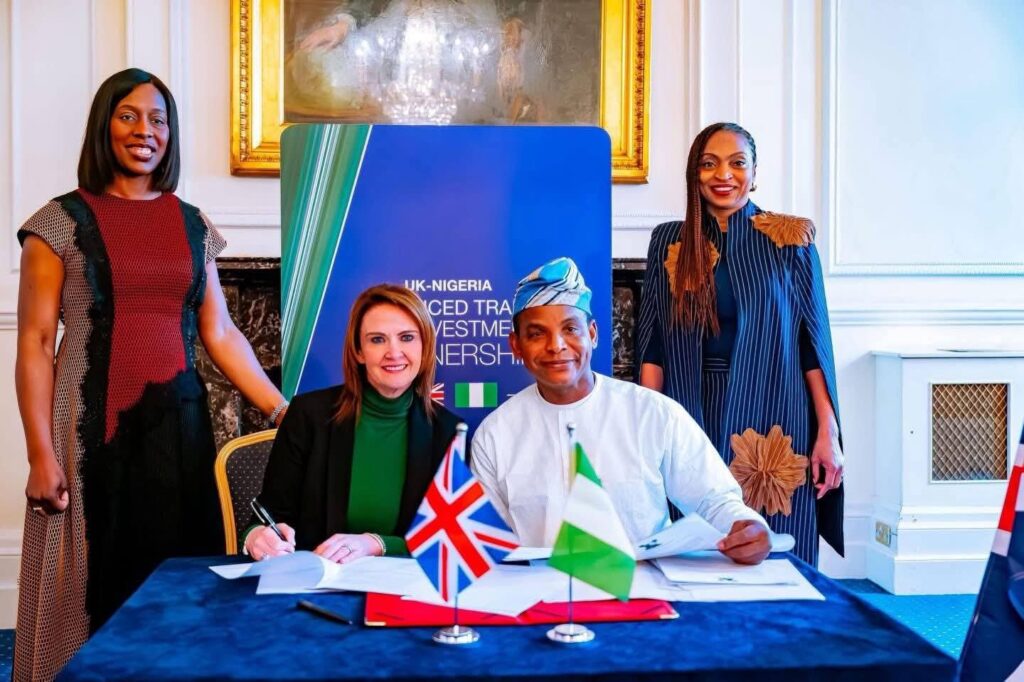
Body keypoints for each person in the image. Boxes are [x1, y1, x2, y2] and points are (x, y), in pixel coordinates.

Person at [13, 68, 289, 680]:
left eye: (158, 120)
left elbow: (222, 333)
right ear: (103, 125)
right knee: (90, 577)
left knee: (179, 574)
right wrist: (40, 454)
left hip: (179, 427)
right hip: (89, 430)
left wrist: (281, 409)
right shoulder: (58, 222)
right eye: (128, 116)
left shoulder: (192, 224)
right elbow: (34, 343)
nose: (145, 131)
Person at [636, 121, 844, 566]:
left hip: (775, 404)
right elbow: (652, 343)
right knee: (695, 531)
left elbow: (812, 344)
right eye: (709, 164)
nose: (723, 175)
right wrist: (644, 426)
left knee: (776, 533)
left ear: (754, 172)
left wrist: (828, 431)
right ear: (694, 173)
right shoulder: (668, 240)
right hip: (690, 403)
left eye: (737, 163)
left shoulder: (790, 239)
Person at [471, 258, 771, 565]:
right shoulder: (495, 434)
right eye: (537, 334)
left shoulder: (652, 413)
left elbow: (715, 500)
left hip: (643, 584)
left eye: (570, 329)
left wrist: (746, 527)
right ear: (516, 345)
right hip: (541, 588)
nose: (556, 345)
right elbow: (486, 541)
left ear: (593, 334)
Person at [245, 284, 465, 563]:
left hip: (407, 583)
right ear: (359, 351)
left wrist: (377, 544)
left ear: (424, 347)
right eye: (377, 340)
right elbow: (266, 518)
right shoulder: (308, 416)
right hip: (317, 581)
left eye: (407, 337)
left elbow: (452, 539)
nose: (394, 352)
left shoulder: (449, 432)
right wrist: (256, 537)